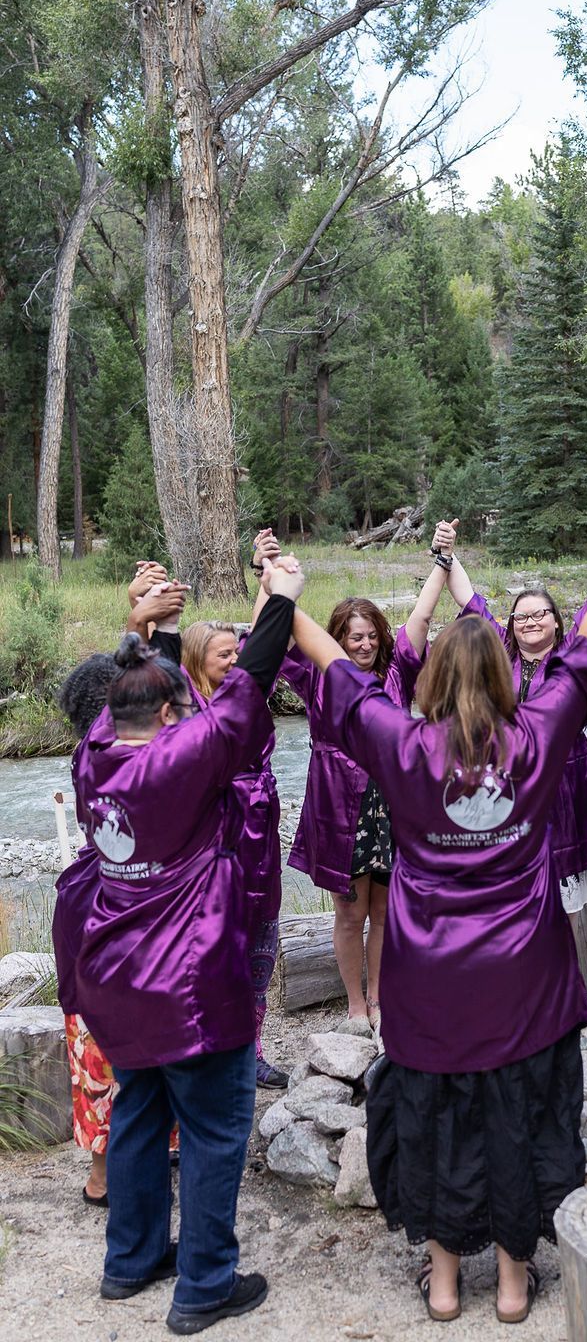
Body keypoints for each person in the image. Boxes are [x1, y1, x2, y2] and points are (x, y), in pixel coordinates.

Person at [287, 509, 587, 1323]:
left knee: (437, 1118)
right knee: (520, 1114)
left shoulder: (400, 742)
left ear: (435, 675)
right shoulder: (542, 727)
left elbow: (333, 665)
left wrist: (283, 594)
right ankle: (515, 1286)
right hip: (525, 969)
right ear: (503, 676)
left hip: (427, 972)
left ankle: (445, 1282)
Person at [52, 557, 304, 1334]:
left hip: (115, 980)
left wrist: (141, 633)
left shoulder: (94, 755)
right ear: (169, 715)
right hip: (189, 982)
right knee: (214, 1130)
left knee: (137, 1113)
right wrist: (282, 601)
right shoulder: (182, 760)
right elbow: (247, 690)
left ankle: (129, 1262)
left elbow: (134, 691)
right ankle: (204, 1284)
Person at [263, 525, 452, 1030]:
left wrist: (441, 560)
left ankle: (381, 999)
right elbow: (274, 635)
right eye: (354, 637)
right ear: (339, 638)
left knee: (387, 912)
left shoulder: (399, 674)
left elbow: (423, 615)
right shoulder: (318, 674)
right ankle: (353, 1005)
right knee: (348, 912)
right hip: (335, 801)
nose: (364, 644)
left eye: (371, 636)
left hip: (392, 803)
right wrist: (269, 579)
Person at [55, 577, 188, 1209]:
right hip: (111, 927)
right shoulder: (108, 752)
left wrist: (144, 624)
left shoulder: (96, 757)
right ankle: (115, 1174)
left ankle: (111, 1170)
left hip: (84, 922)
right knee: (115, 1046)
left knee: (96, 1045)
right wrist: (137, 622)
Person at [442, 531, 587, 916]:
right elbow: (468, 598)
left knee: (559, 893)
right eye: (521, 616)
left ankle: (557, 970)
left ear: (557, 623)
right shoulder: (497, 650)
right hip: (504, 782)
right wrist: (447, 553)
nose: (530, 622)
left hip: (562, 782)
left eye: (540, 614)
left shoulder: (573, 652)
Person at [180, 611, 287, 1088]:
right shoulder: (183, 710)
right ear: (195, 661)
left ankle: (253, 1050)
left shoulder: (246, 695)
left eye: (236, 652)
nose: (234, 660)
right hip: (217, 833)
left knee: (262, 939)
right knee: (215, 949)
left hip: (260, 827)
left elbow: (266, 645)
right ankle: (208, 1052)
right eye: (223, 654)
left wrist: (267, 580)